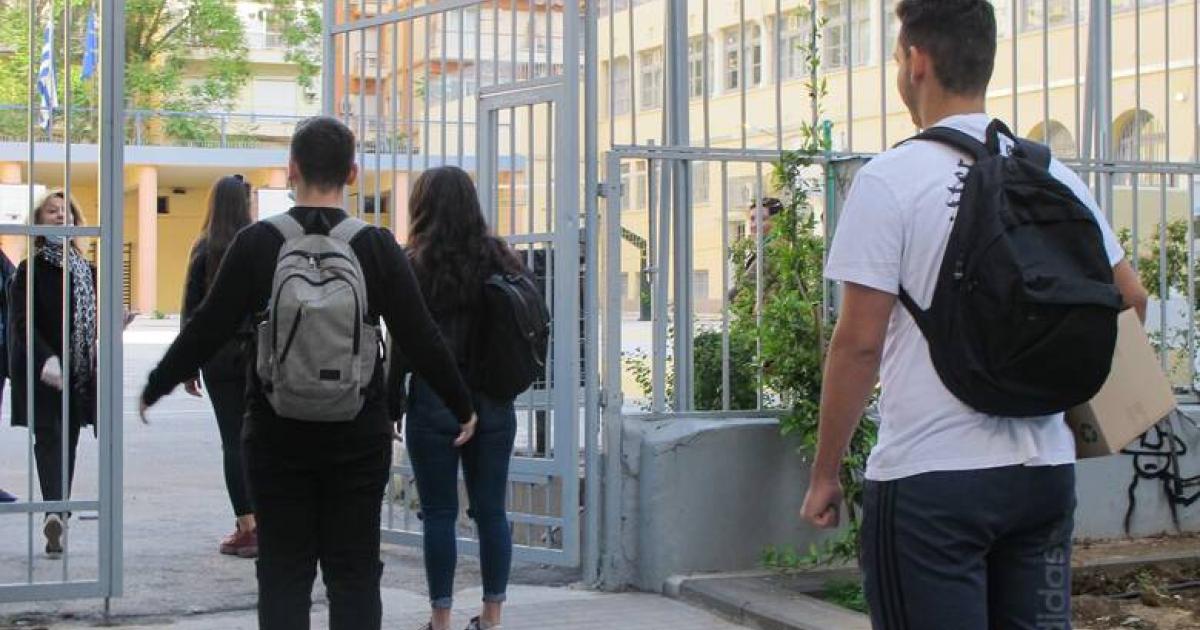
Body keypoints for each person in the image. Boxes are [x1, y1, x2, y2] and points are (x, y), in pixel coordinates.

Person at [801, 1, 1150, 627]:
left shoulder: (890, 179)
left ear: (917, 62)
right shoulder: (1053, 172)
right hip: (1044, 476)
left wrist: (826, 472)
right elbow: (1132, 297)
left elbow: (859, 344)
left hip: (933, 483)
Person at [139, 116, 477, 630]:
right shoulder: (375, 246)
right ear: (353, 173)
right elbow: (419, 334)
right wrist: (462, 403)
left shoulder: (256, 243)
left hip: (276, 432)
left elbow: (208, 325)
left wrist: (157, 384)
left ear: (291, 169)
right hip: (357, 434)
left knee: (283, 571)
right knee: (354, 573)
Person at [391, 166, 524, 630]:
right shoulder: (501, 258)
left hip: (434, 400)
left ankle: (440, 620)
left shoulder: (413, 263)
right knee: (491, 511)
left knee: (438, 514)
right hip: (493, 400)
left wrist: (391, 402)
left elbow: (403, 342)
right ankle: (492, 617)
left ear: (421, 206)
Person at [8, 190, 98, 557]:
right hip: (42, 369)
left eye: (66, 212)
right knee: (49, 438)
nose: (61, 217)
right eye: (51, 211)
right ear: (38, 222)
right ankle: (54, 512)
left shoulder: (86, 270)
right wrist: (46, 359)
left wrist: (116, 324)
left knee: (69, 441)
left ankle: (56, 513)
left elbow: (91, 323)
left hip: (78, 373)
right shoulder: (30, 269)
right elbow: (22, 322)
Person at [181, 175, 257, 558]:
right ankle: (265, 522)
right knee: (258, 439)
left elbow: (191, 311)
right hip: (257, 354)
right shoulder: (258, 245)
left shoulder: (204, 248)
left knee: (232, 440)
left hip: (218, 357)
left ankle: (247, 526)